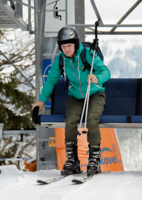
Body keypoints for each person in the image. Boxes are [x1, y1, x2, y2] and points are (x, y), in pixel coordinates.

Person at [32, 26, 111, 176]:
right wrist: (41, 101)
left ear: (75, 44)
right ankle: (72, 160)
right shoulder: (60, 60)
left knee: (92, 120)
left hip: (94, 93)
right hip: (75, 95)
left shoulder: (87, 54)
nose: (66, 49)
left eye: (69, 45)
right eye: (63, 46)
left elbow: (106, 71)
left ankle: (94, 158)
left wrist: (97, 78)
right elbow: (51, 81)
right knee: (70, 122)